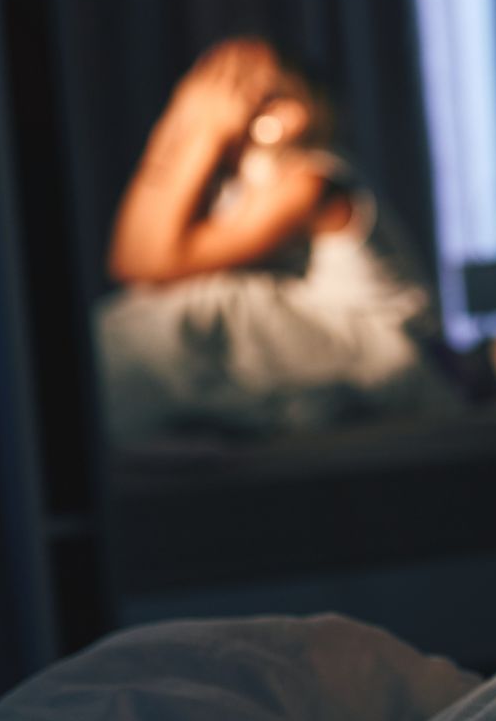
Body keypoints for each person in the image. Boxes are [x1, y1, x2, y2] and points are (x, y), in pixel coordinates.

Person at [95, 37, 449, 441]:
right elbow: (135, 255)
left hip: (387, 352)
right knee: (148, 313)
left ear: (286, 110)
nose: (209, 92)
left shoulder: (311, 180)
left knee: (203, 312)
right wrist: (179, 125)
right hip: (328, 338)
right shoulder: (240, 187)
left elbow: (144, 261)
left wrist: (202, 134)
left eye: (232, 81)